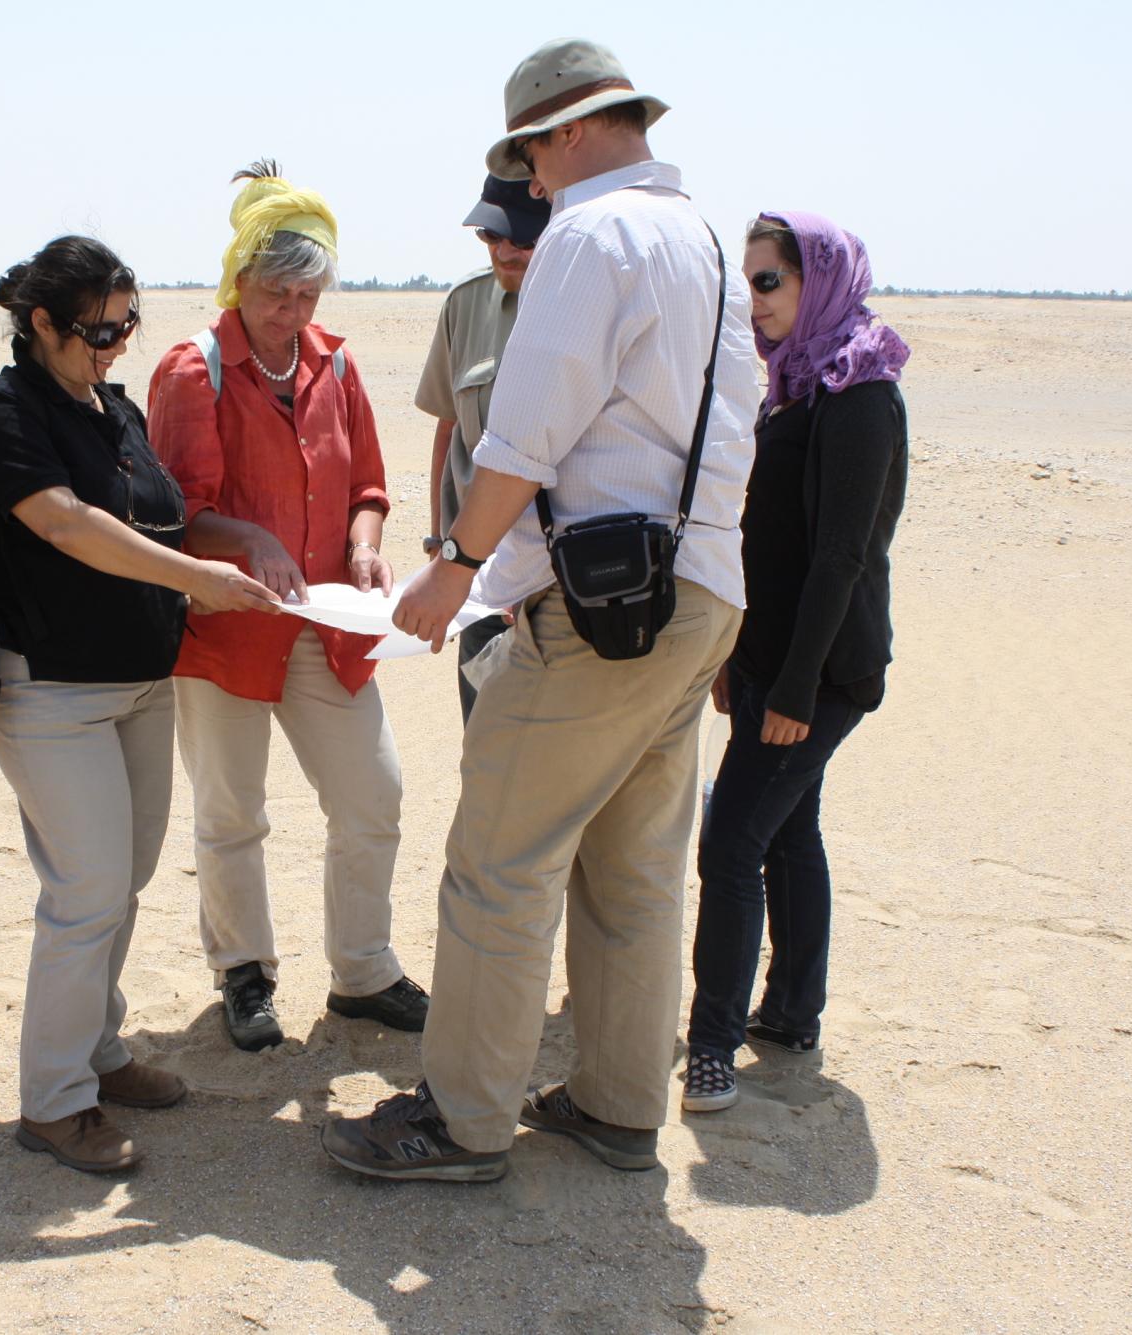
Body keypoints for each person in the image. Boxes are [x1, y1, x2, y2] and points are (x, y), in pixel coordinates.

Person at [323, 39, 758, 1182]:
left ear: (560, 136)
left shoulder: (591, 232)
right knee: (634, 869)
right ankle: (618, 1103)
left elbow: (527, 428)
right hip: (699, 590)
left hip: (602, 608)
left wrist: (455, 566)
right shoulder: (703, 238)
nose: (530, 183)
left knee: (498, 865)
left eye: (528, 156)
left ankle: (460, 1121)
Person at [0, 237, 281, 1172]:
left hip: (139, 685)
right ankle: (53, 1102)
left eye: (128, 322)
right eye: (99, 327)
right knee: (84, 891)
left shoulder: (114, 408)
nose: (118, 342)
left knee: (120, 883)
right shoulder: (4, 411)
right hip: (52, 690)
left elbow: (155, 509)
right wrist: (197, 578)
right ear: (41, 322)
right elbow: (66, 521)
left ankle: (96, 1052)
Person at [147, 160, 428, 1053]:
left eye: (309, 293)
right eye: (277, 292)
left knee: (372, 793)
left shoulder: (336, 363)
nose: (294, 312)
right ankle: (244, 971)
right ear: (240, 278)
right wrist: (245, 537)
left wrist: (365, 542)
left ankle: (364, 969)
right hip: (227, 629)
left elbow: (371, 485)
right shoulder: (193, 370)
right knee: (232, 810)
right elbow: (172, 511)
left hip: (328, 627)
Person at [681, 212, 911, 1112]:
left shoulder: (860, 394)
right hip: (777, 660)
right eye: (747, 284)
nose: (755, 300)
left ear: (821, 280)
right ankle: (791, 1010)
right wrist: (744, 657)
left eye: (770, 281)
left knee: (731, 839)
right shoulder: (803, 382)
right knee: (785, 830)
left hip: (820, 671)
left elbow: (839, 557)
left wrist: (795, 689)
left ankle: (711, 1046)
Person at [413, 175, 551, 719]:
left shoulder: (590, 308)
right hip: (481, 579)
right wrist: (440, 546)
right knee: (486, 749)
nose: (503, 250)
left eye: (520, 238)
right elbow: (449, 432)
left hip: (566, 590)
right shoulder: (466, 304)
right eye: (491, 237)